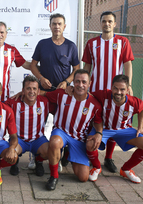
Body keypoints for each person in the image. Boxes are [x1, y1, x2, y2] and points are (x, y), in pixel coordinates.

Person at [82, 11, 134, 173]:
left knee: (114, 124)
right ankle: (92, 156)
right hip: (97, 91)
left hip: (116, 93)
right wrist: (84, 85)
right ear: (101, 23)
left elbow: (128, 64)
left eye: (110, 21)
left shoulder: (123, 42)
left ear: (114, 23)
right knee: (94, 122)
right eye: (104, 21)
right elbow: (87, 67)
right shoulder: (91, 43)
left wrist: (129, 84)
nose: (107, 24)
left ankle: (109, 158)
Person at [30, 13, 80, 170]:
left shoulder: (71, 46)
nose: (57, 26)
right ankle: (35, 157)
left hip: (63, 95)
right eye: (54, 24)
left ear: (64, 26)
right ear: (50, 26)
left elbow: (76, 69)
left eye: (60, 24)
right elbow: (33, 65)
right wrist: (40, 78)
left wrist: (67, 82)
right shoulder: (42, 44)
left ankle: (58, 156)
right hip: (44, 93)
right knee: (39, 124)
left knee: (62, 127)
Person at [45, 69, 103, 191]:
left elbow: (98, 122)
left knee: (83, 177)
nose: (80, 85)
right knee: (54, 142)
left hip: (79, 139)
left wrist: (99, 133)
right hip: (61, 132)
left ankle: (67, 153)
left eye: (83, 82)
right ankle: (54, 176)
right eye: (77, 81)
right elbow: (43, 94)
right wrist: (23, 93)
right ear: (73, 83)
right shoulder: (62, 94)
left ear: (89, 83)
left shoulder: (95, 105)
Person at [86, 75, 143, 184]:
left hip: (124, 130)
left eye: (122, 89)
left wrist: (140, 127)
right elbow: (87, 95)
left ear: (127, 90)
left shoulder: (133, 102)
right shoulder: (103, 94)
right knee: (90, 144)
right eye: (116, 88)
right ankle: (97, 167)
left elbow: (142, 109)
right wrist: (71, 88)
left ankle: (126, 169)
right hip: (104, 129)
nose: (119, 92)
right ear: (111, 88)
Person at [4, 76, 51, 177]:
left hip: (38, 139)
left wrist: (70, 88)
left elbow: (60, 97)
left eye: (34, 89)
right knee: (9, 153)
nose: (31, 91)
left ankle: (38, 162)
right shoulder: (13, 102)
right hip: (19, 140)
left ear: (38, 91)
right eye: (28, 88)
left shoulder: (45, 102)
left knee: (50, 152)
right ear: (23, 90)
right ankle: (14, 162)